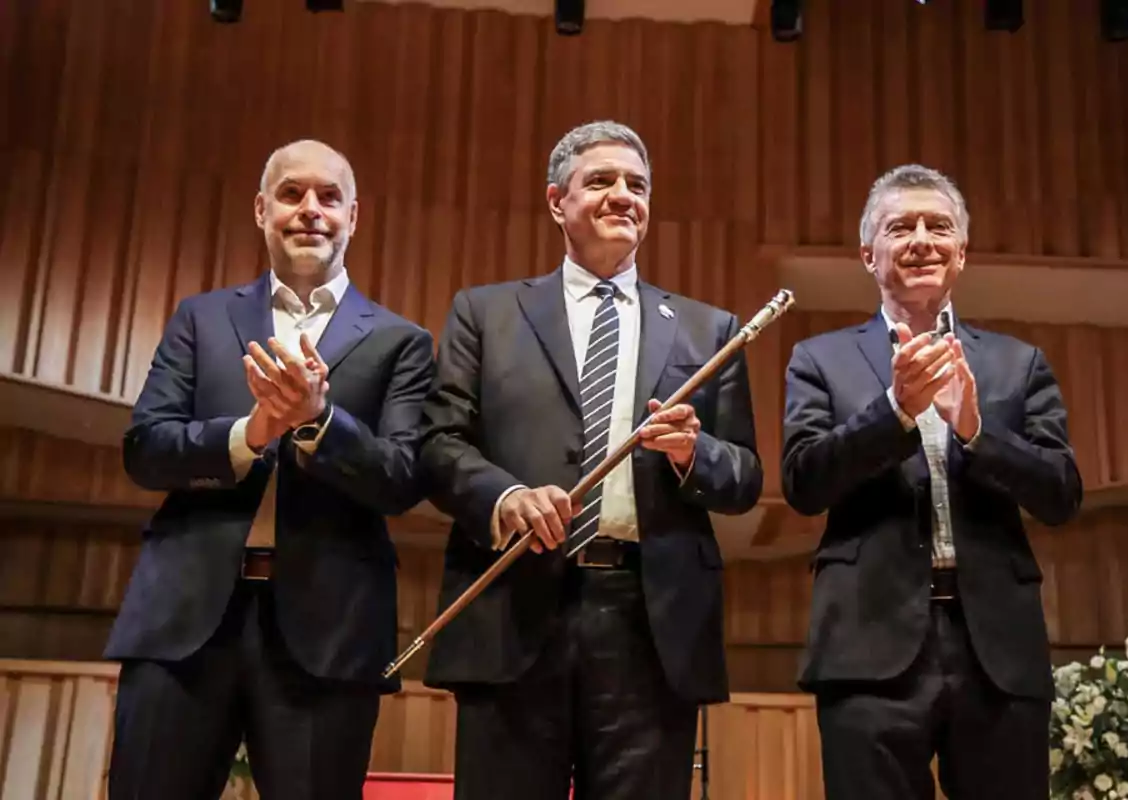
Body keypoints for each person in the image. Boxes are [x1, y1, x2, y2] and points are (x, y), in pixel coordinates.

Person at [418, 120, 763, 800]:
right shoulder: (485, 313)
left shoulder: (708, 328)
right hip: (513, 614)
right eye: (600, 180)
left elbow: (746, 476)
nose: (622, 195)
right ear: (556, 202)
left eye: (637, 184)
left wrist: (695, 453)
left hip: (650, 624)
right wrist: (501, 498)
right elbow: (437, 444)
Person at [105, 139, 435, 800]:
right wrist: (250, 434)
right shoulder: (200, 318)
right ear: (261, 210)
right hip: (183, 625)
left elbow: (401, 479)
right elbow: (145, 450)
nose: (310, 210)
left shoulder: (404, 341)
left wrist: (317, 423)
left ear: (354, 217)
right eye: (291, 194)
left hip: (329, 634)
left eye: (329, 197)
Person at [781, 164, 1083, 799]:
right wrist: (893, 411)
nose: (922, 238)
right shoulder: (820, 359)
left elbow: (1060, 494)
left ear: (962, 252)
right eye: (901, 227)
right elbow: (804, 483)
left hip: (996, 648)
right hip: (867, 647)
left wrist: (976, 430)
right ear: (869, 253)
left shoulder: (1017, 362)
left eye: (938, 226)